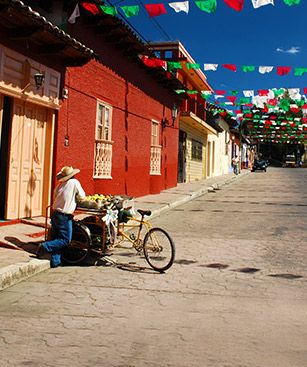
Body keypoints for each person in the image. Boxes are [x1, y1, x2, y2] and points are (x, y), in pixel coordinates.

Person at [36, 166, 85, 268]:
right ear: (73, 175)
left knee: (56, 237)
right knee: (65, 240)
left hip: (55, 213)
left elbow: (55, 197)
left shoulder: (59, 186)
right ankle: (45, 246)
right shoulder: (74, 182)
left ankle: (56, 261)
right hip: (64, 215)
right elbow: (82, 196)